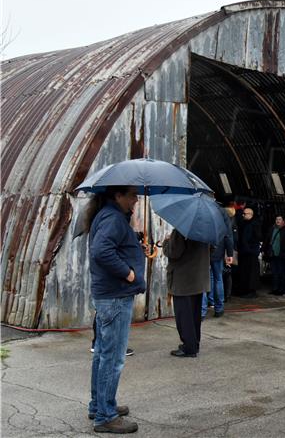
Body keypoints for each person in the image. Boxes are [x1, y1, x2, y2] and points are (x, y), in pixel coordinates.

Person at [87, 185, 145, 433]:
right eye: (132, 194)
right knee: (113, 358)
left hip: (109, 296)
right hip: (115, 297)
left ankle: (98, 404)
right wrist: (129, 274)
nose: (136, 199)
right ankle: (105, 415)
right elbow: (101, 251)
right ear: (117, 196)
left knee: (102, 353)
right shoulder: (112, 218)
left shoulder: (108, 215)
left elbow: (108, 248)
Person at [162, 230, 211, 357]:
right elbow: (212, 250)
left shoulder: (182, 229)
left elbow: (173, 252)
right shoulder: (204, 230)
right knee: (194, 314)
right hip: (198, 278)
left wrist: (166, 241)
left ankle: (189, 347)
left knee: (184, 315)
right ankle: (194, 343)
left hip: (183, 279)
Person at [201, 205, 235, 319]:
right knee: (218, 278)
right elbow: (228, 235)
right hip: (218, 250)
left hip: (203, 250)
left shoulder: (200, 209)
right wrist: (229, 253)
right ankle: (219, 308)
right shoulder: (222, 212)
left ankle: (202, 310)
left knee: (204, 280)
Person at [235, 207, 262, 298]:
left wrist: (248, 248)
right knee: (245, 272)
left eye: (245, 213)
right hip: (246, 252)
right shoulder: (246, 224)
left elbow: (253, 238)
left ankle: (251, 291)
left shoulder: (254, 224)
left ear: (250, 214)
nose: (243, 215)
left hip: (250, 252)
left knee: (251, 272)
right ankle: (245, 290)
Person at [264, 215, 285, 295]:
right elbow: (267, 240)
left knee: (282, 272)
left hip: (281, 255)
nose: (277, 221)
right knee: (274, 272)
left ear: (283, 221)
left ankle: (282, 289)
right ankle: (275, 288)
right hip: (273, 254)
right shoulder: (272, 229)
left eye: (279, 219)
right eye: (276, 219)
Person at [222, 205, 238, 302]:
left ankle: (227, 294)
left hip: (227, 252)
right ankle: (227, 294)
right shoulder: (232, 223)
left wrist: (229, 253)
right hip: (229, 251)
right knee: (227, 273)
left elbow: (232, 239)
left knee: (226, 274)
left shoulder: (229, 224)